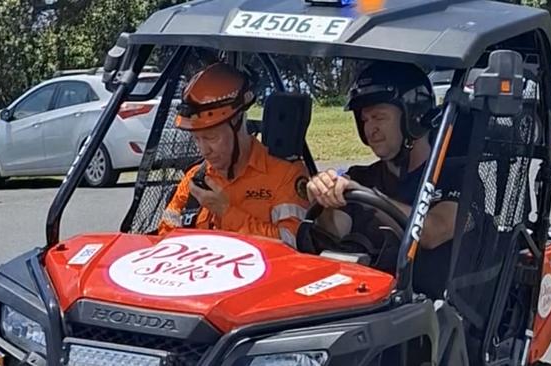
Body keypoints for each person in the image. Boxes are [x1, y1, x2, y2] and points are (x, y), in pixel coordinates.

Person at [306, 61, 463, 299]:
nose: (371, 129)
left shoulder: (456, 177)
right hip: (367, 306)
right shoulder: (361, 176)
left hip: (433, 311)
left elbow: (433, 232)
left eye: (379, 117)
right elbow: (336, 234)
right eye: (364, 120)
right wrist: (326, 198)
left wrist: (368, 197)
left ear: (414, 116)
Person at [158, 62, 310, 247]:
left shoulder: (285, 175)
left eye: (212, 137)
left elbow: (292, 244)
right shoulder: (196, 179)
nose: (204, 150)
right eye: (197, 139)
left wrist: (226, 212)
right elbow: (165, 236)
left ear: (238, 122)